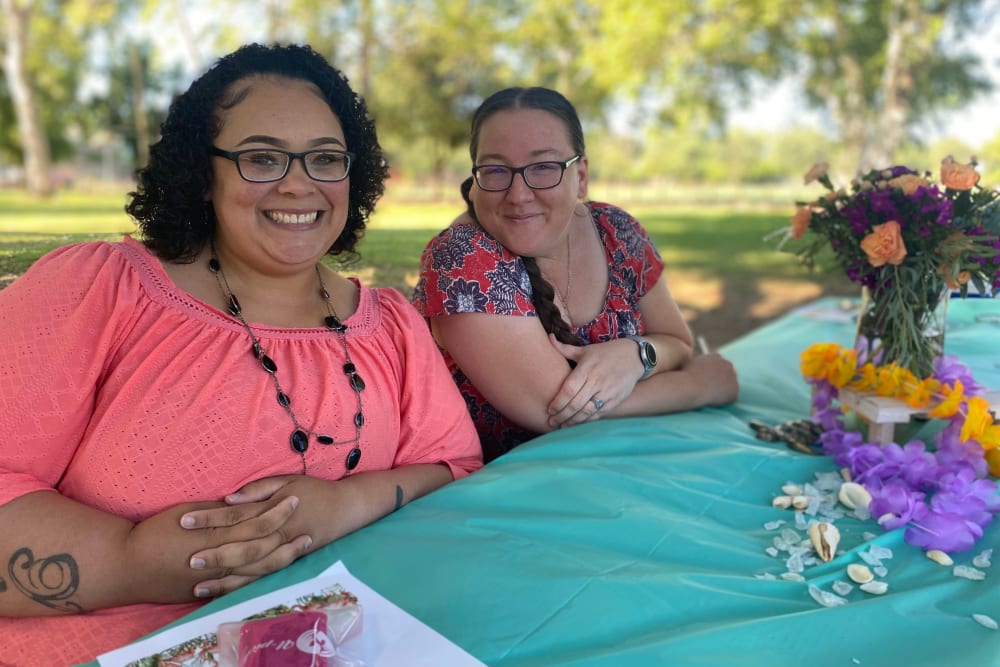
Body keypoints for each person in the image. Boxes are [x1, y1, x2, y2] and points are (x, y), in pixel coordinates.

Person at [0, 43, 482, 665]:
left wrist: (347, 504)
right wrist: (130, 562)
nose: (300, 183)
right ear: (203, 174)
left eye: (325, 159)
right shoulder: (101, 291)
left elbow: (456, 473)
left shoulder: (389, 326)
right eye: (261, 158)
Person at [412, 86, 738, 462]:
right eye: (496, 170)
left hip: (625, 463)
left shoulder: (616, 231)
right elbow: (556, 411)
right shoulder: (462, 259)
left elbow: (677, 341)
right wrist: (697, 385)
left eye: (544, 167)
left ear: (580, 176)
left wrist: (634, 355)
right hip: (502, 492)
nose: (518, 194)